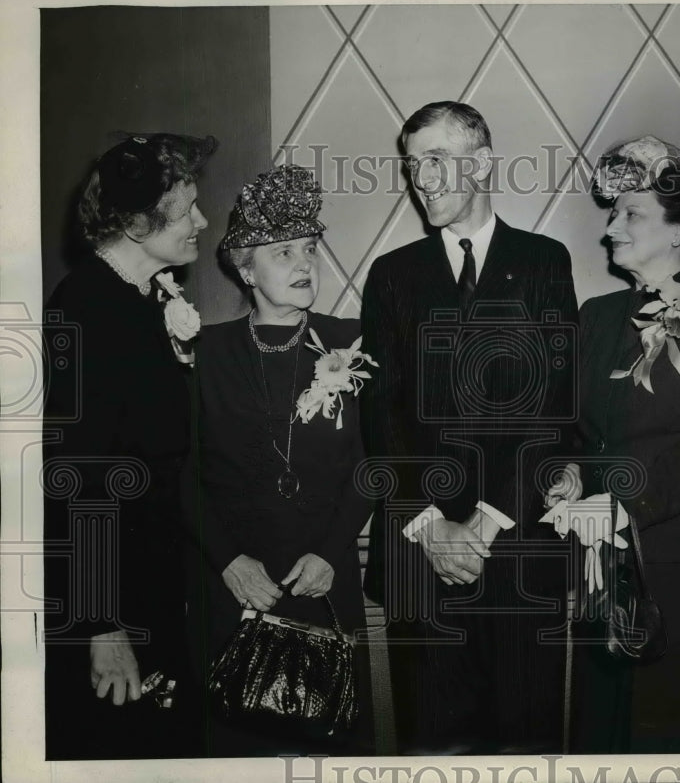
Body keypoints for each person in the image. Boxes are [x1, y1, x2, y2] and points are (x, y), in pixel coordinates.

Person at [360, 101, 578, 754]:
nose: (420, 179)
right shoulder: (392, 275)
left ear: (481, 163)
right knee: (432, 752)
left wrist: (485, 521)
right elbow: (380, 415)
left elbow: (554, 409)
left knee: (527, 748)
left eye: (435, 159)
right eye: (410, 164)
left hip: (515, 552)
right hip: (418, 561)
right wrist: (430, 526)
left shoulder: (544, 261)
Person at [545, 136, 680, 754]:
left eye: (631, 214)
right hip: (599, 559)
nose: (611, 230)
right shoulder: (597, 314)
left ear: (679, 228)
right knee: (606, 734)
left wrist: (630, 505)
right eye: (614, 214)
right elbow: (575, 433)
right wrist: (567, 478)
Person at [43, 132, 216, 759]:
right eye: (187, 209)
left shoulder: (146, 298)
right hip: (112, 598)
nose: (202, 220)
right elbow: (71, 477)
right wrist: (101, 624)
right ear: (139, 223)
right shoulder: (88, 306)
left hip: (154, 578)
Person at [196, 164, 376, 756]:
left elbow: (373, 464)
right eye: (282, 254)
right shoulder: (207, 353)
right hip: (237, 584)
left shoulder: (351, 343)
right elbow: (182, 473)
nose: (303, 265)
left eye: (309, 250)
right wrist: (227, 560)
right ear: (245, 270)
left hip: (324, 579)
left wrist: (330, 552)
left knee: (332, 750)